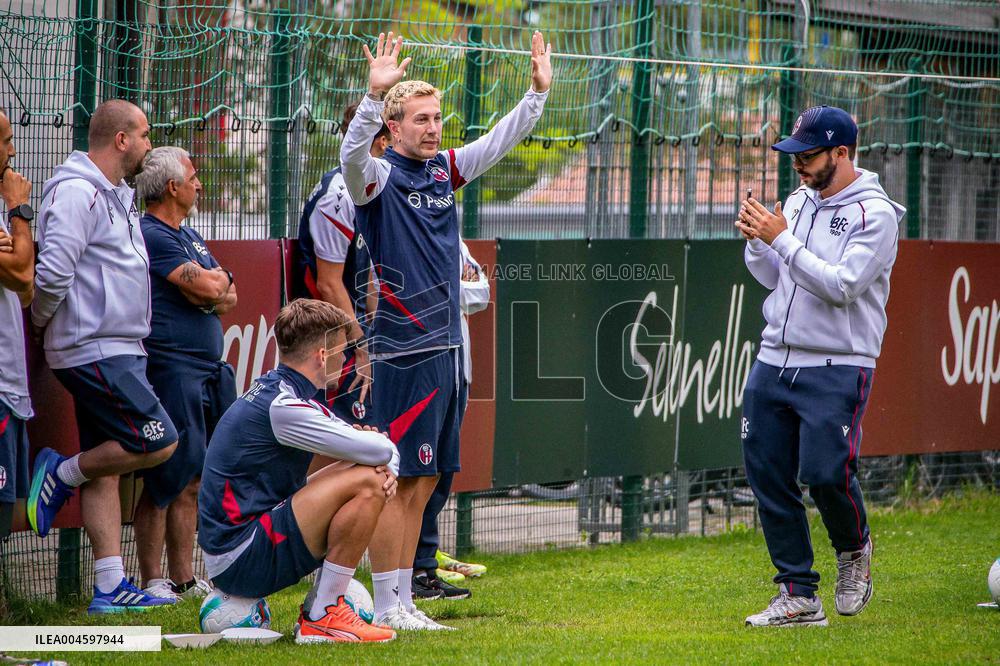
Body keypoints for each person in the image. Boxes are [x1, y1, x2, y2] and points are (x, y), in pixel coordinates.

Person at [340, 30, 552, 630]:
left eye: (437, 118)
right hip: (403, 350)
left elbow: (498, 142)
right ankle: (384, 603)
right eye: (421, 120)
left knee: (428, 476)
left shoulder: (444, 172)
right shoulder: (377, 179)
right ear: (395, 125)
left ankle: (405, 599)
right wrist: (369, 96)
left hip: (447, 344)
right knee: (398, 478)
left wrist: (535, 96)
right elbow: (351, 160)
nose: (433, 129)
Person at [736, 105, 905, 627]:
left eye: (808, 156)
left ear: (841, 152)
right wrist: (758, 242)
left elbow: (840, 287)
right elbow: (776, 277)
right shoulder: (799, 199)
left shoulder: (874, 215)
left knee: (826, 473)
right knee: (767, 474)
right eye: (794, 156)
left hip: (838, 362)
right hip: (773, 356)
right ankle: (797, 594)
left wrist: (780, 238)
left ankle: (854, 552)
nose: (798, 166)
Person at [28, 99, 179, 613]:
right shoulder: (75, 192)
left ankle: (109, 587)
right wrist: (50, 327)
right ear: (120, 140)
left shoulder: (115, 193)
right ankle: (60, 473)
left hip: (115, 347)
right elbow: (49, 277)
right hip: (94, 348)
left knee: (107, 467)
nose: (148, 144)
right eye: (144, 134)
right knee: (160, 440)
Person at [197, 298, 398, 644]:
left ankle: (326, 605)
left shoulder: (283, 393)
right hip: (241, 557)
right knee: (370, 479)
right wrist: (383, 461)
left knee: (363, 469)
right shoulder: (286, 407)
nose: (344, 360)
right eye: (341, 351)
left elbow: (373, 448)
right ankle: (324, 615)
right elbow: (381, 449)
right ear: (322, 355)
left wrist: (380, 455)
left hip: (238, 548)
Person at [133, 146, 238, 601]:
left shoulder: (189, 234)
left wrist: (209, 289)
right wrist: (210, 287)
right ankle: (152, 579)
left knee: (195, 475)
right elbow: (214, 285)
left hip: (208, 370)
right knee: (167, 474)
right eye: (194, 177)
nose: (200, 184)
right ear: (172, 186)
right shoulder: (153, 233)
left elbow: (225, 292)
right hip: (172, 368)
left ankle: (183, 578)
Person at [296, 103, 389, 440]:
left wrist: (374, 341)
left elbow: (367, 279)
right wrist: (361, 347)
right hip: (328, 340)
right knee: (348, 447)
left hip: (353, 336)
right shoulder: (337, 197)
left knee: (372, 445)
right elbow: (330, 285)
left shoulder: (371, 193)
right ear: (380, 143)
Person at [412, 240, 490, 600]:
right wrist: (453, 286)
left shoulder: (453, 238)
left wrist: (450, 287)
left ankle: (425, 564)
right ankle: (415, 568)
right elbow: (422, 290)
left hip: (460, 370)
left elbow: (482, 292)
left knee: (442, 473)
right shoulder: (410, 227)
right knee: (418, 472)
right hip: (424, 367)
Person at [0, 107, 36, 540]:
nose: (12, 151)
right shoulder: (11, 205)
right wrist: (18, 209)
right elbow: (23, 272)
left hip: (11, 381)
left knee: (10, 512)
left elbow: (24, 291)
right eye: (7, 141)